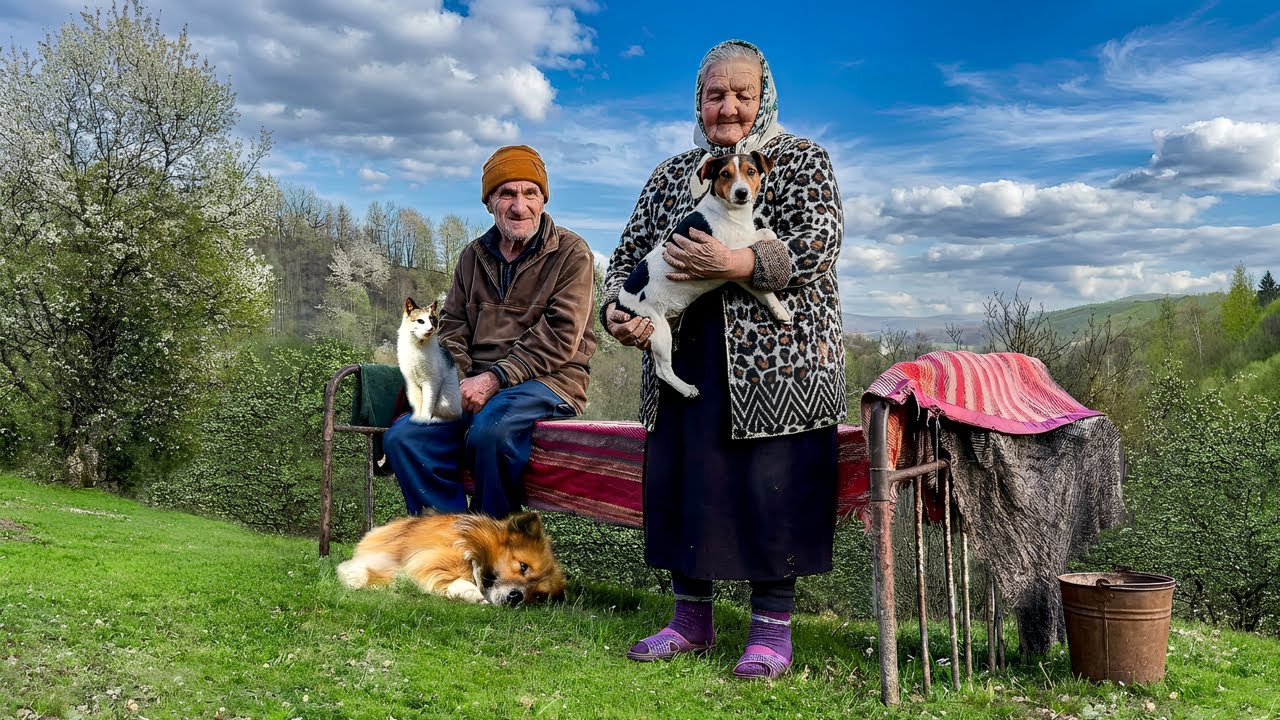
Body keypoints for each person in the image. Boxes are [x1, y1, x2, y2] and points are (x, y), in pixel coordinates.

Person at [600, 40, 845, 680]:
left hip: (779, 367)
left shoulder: (800, 161)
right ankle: (690, 620)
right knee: (688, 484)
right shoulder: (669, 175)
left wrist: (736, 261)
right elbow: (624, 259)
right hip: (687, 360)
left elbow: (818, 244)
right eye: (716, 94)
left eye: (743, 93)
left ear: (765, 96)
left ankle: (770, 631)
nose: (729, 107)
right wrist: (616, 315)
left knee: (772, 491)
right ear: (698, 102)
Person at [383, 145, 597, 519]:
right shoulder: (472, 256)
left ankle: (494, 539)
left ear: (543, 199)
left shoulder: (571, 253)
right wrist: (459, 382)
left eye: (530, 193)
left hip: (549, 381)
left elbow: (561, 334)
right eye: (507, 194)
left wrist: (493, 380)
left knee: (490, 432)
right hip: (475, 383)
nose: (519, 206)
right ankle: (449, 538)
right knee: (404, 437)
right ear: (489, 203)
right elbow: (452, 328)